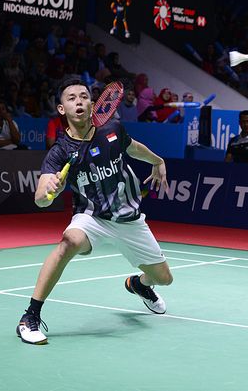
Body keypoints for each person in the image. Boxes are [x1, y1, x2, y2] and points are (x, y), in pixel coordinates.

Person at [16, 79, 172, 345]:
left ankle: (140, 285)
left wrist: (158, 161)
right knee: (69, 242)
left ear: (92, 104)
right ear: (62, 109)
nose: (79, 101)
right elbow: (40, 199)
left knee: (164, 278)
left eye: (84, 96)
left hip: (128, 219)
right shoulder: (60, 152)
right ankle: (30, 316)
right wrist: (48, 190)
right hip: (91, 216)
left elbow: (134, 148)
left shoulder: (112, 130)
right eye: (71, 98)